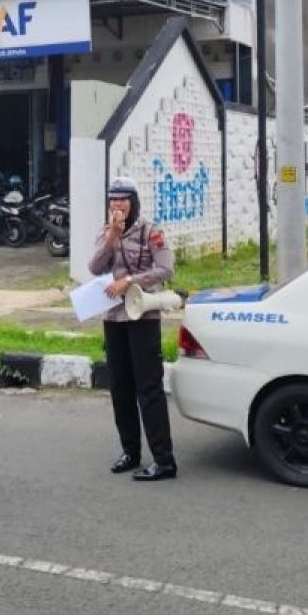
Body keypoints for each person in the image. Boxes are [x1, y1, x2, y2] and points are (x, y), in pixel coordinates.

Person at [88, 179, 178, 481]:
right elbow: (94, 267)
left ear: (134, 202)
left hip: (143, 317)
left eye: (124, 200)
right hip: (114, 318)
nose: (117, 205)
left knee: (148, 388)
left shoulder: (151, 231)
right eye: (113, 200)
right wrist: (112, 236)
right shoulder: (106, 232)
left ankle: (164, 461)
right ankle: (130, 451)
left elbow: (166, 270)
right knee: (120, 388)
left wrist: (130, 281)